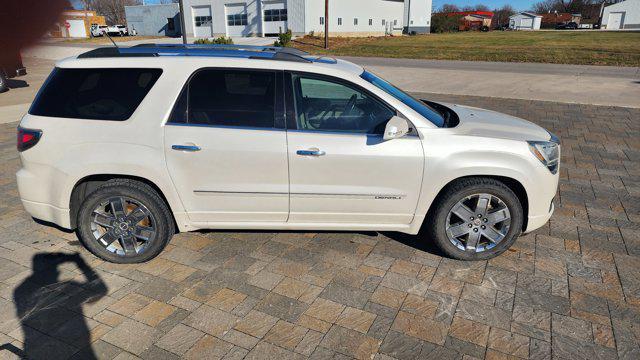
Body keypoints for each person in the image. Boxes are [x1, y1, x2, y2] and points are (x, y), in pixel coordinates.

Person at [12, 253, 108, 359]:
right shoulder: (69, 287)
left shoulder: (20, 290)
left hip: (40, 347)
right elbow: (101, 289)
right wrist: (81, 264)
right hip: (75, 341)